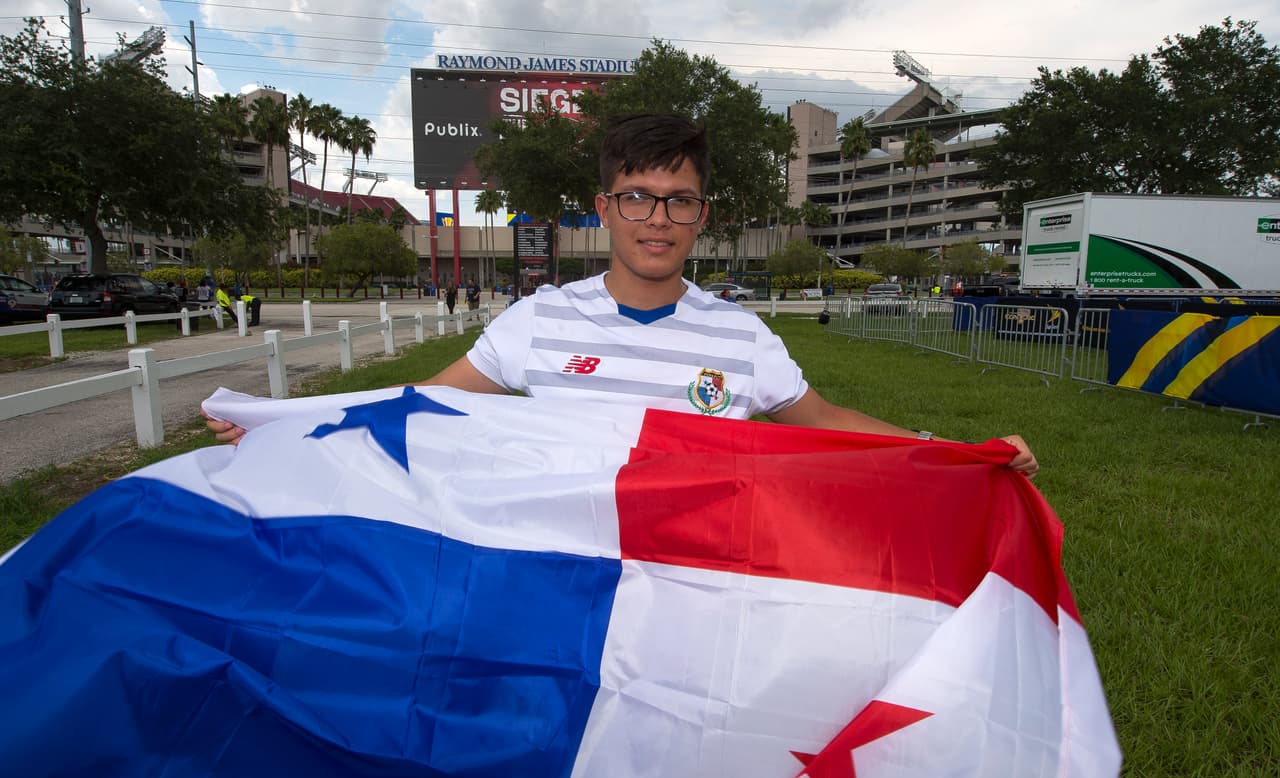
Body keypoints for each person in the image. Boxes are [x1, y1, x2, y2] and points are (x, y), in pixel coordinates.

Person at [206, 114, 1037, 476]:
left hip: (691, 584)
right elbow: (419, 403)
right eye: (636, 196)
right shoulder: (539, 320)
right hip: (556, 575)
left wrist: (957, 453)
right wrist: (287, 426)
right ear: (605, 207)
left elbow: (825, 425)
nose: (656, 219)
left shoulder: (741, 338)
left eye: (677, 200)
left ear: (701, 215)